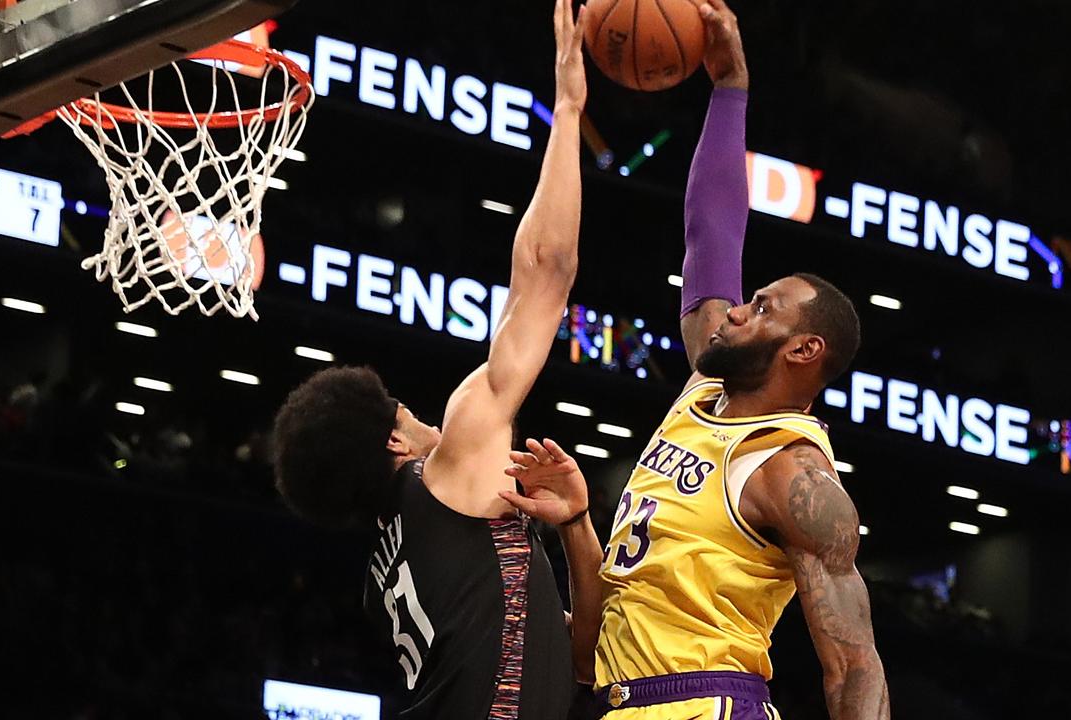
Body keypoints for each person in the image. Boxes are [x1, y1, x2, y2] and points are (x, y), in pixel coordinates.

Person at [500, 1, 890, 718]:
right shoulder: (704, 391)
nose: (738, 308)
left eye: (763, 307)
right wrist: (730, 89)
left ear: (805, 351)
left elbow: (855, 668)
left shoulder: (791, 471)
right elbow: (710, 233)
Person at [269, 2, 602, 717]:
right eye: (408, 413)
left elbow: (581, 660)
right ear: (395, 441)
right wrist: (569, 109)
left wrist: (575, 526)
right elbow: (546, 270)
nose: (429, 421)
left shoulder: (387, 570)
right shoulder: (447, 473)